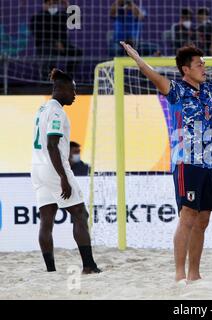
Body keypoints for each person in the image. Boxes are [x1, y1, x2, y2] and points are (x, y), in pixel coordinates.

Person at [120, 41, 212, 283]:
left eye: (204, 63)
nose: (204, 67)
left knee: (203, 219)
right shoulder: (176, 90)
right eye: (199, 64)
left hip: (207, 162)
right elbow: (154, 76)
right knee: (188, 214)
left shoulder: (209, 88)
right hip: (185, 161)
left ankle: (194, 274)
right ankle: (179, 274)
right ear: (185, 69)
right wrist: (138, 59)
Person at [31, 69, 101, 273]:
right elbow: (53, 146)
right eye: (72, 90)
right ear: (60, 89)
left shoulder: (42, 109)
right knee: (80, 214)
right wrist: (63, 177)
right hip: (53, 168)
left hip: (36, 167)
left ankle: (50, 270)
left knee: (46, 218)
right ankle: (88, 266)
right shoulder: (56, 112)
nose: (75, 94)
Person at [29, 0, 83, 78]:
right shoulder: (38, 17)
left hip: (63, 45)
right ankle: (47, 80)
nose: (52, 6)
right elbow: (39, 35)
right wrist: (55, 43)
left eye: (54, 4)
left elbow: (76, 21)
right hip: (46, 45)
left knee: (77, 52)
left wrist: (67, 6)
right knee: (49, 57)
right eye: (49, 4)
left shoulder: (61, 15)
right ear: (44, 5)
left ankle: (67, 77)